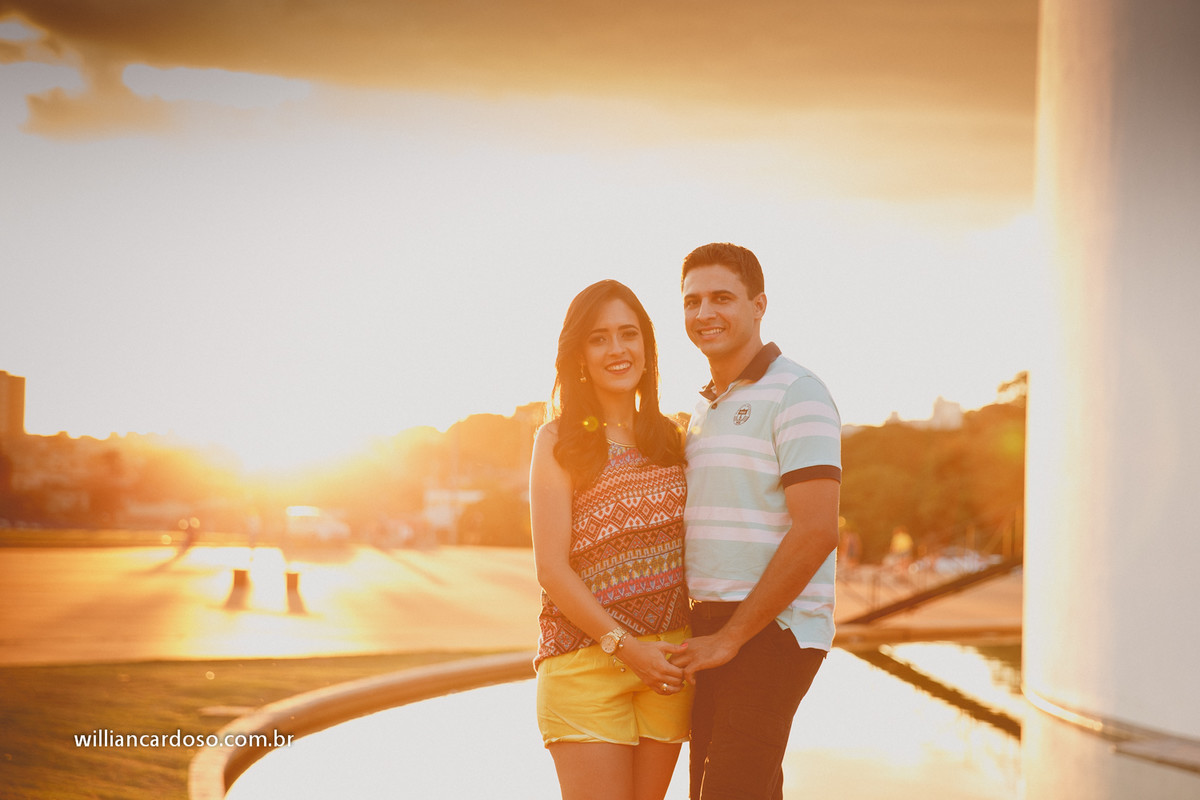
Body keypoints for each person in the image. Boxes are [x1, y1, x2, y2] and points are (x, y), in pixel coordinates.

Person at [671, 243, 842, 800]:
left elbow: (817, 530)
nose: (705, 313)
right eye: (692, 301)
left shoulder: (798, 392)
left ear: (759, 304)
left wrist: (731, 638)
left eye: (722, 297)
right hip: (712, 626)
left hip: (773, 631)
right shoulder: (703, 407)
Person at [531, 279, 694, 800]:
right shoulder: (557, 439)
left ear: (647, 347)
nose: (617, 349)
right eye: (599, 338)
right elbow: (551, 569)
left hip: (668, 667)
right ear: (579, 354)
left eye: (629, 334)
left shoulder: (677, 438)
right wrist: (625, 647)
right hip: (584, 663)